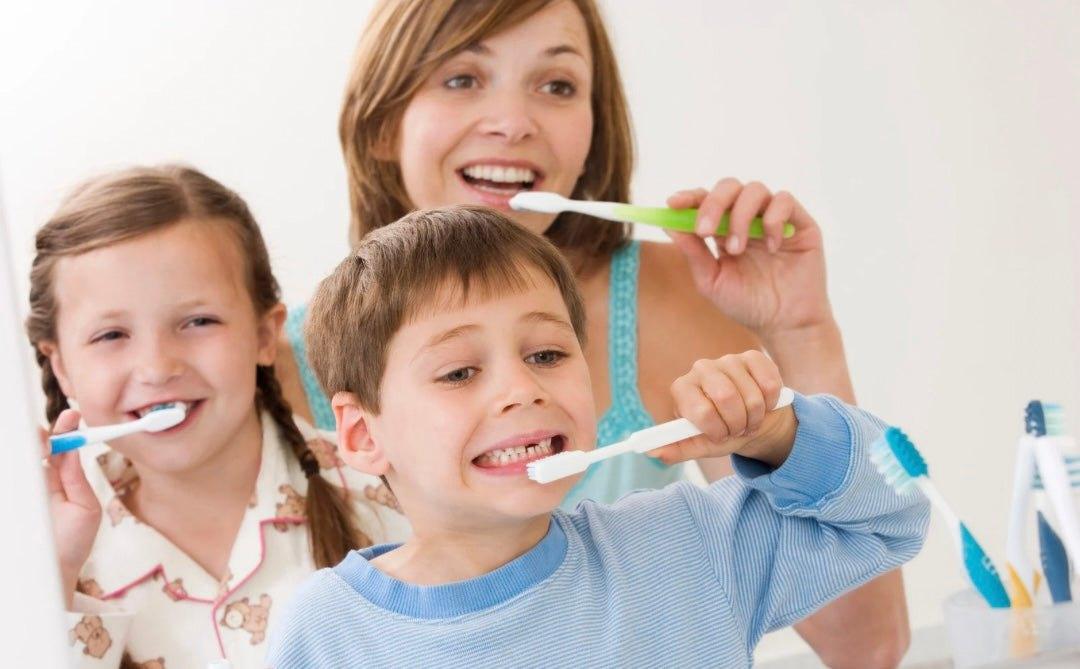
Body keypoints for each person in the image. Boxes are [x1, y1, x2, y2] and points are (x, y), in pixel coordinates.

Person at [275, 1, 904, 663]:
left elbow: (867, 642)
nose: (515, 123)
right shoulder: (271, 368)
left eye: (557, 86)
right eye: (462, 78)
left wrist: (799, 331)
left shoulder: (669, 322)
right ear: (381, 123)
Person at [268, 206, 929, 668]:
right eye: (460, 371)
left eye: (548, 354)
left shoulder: (689, 547)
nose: (521, 389)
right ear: (359, 433)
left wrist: (784, 432)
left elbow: (888, 518)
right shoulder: (328, 634)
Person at [28, 165, 409, 668]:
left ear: (264, 335)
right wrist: (51, 572)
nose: (158, 367)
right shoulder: (43, 552)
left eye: (198, 321)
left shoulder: (398, 498)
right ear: (61, 367)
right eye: (111, 335)